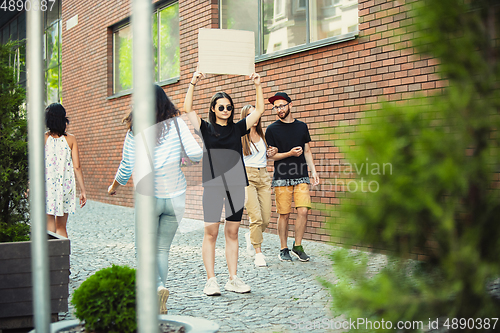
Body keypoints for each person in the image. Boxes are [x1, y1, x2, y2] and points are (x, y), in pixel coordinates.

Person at [107, 85, 202, 314]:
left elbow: (127, 166)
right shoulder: (177, 124)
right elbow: (197, 154)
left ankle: (157, 288)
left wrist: (114, 186)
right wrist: (182, 158)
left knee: (144, 250)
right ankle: (160, 296)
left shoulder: (135, 130)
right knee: (161, 250)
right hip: (176, 196)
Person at [183, 70, 264, 296]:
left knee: (233, 232)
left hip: (236, 185)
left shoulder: (238, 128)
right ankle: (211, 280)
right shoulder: (205, 128)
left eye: (229, 107)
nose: (226, 110)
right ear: (213, 109)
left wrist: (257, 85)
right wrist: (193, 82)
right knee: (211, 233)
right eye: (221, 107)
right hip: (213, 187)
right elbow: (187, 108)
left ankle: (233, 278)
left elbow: (259, 110)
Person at [265, 92, 320, 262]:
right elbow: (271, 156)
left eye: (282, 105)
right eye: (276, 107)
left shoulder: (302, 127)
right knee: (284, 214)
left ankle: (298, 246)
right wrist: (288, 153)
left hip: (301, 175)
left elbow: (308, 150)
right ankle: (283, 248)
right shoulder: (271, 129)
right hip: (281, 176)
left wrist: (314, 171)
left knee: (303, 210)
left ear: (290, 105)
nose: (279, 109)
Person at [240, 105, 277, 267]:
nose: (253, 118)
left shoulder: (263, 135)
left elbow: (267, 155)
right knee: (255, 217)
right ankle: (258, 253)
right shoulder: (239, 136)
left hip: (263, 176)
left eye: (254, 114)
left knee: (266, 218)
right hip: (247, 176)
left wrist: (271, 152)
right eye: (249, 115)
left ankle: (251, 236)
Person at [45, 103, 87, 238]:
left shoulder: (44, 138)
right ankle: (62, 258)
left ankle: (51, 257)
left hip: (48, 187)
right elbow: (77, 167)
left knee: (49, 224)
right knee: (61, 227)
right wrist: (83, 190)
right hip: (65, 187)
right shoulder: (71, 139)